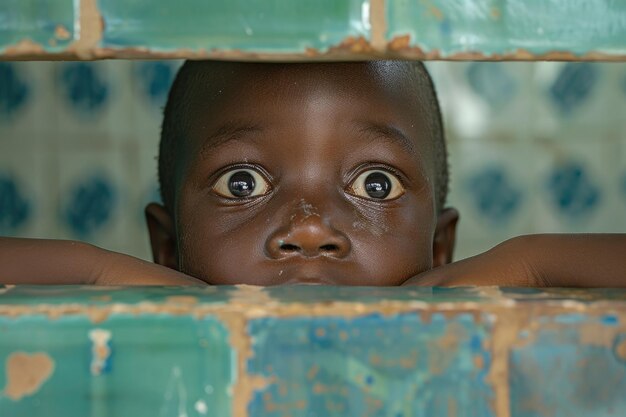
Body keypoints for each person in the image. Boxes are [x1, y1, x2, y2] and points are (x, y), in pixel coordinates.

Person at [0, 60, 624, 287]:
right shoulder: (150, 337)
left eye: (375, 185)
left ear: (440, 247)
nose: (307, 229)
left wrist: (528, 261)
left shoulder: (453, 329)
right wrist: (108, 275)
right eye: (240, 184)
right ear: (166, 246)